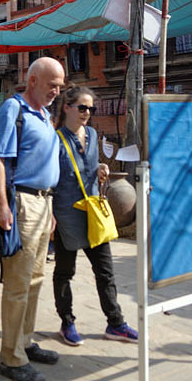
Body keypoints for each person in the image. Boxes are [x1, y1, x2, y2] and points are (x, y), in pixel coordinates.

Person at [0, 57, 65, 381]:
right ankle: (12, 358)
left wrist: (51, 212)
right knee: (18, 284)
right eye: (52, 85)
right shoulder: (13, 109)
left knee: (34, 280)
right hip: (23, 204)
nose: (56, 92)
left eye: (60, 87)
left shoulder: (45, 116)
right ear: (32, 80)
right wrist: (1, 205)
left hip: (43, 205)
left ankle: (25, 341)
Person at [52, 85, 138, 346]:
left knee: (105, 271)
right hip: (66, 215)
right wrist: (50, 216)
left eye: (91, 108)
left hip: (93, 213)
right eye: (82, 107)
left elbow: (88, 166)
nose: (87, 112)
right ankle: (67, 322)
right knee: (65, 272)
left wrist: (100, 166)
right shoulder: (55, 139)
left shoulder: (91, 133)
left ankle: (115, 322)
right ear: (67, 107)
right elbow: (49, 180)